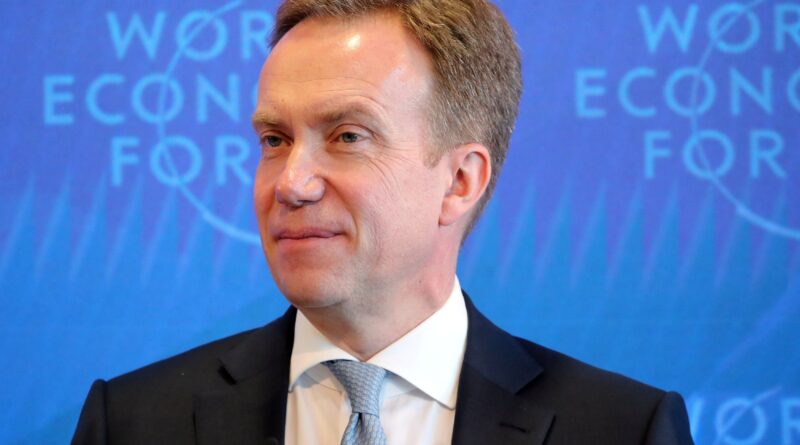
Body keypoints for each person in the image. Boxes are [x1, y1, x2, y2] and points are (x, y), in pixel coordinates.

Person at [72, 0, 694, 444]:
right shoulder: (130, 423)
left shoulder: (621, 429)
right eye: (274, 139)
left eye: (347, 136)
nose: (291, 183)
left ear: (460, 181)